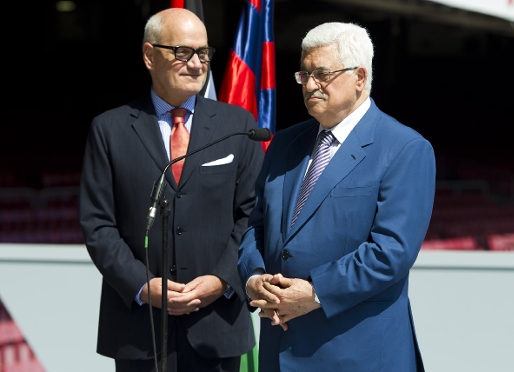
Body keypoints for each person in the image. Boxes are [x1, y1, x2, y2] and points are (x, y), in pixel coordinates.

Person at [237, 21, 435, 372]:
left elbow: (391, 252)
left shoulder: (405, 149)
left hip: (358, 353)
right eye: (304, 74)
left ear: (360, 76)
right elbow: (256, 227)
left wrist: (314, 293)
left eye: (322, 74)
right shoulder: (284, 143)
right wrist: (254, 278)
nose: (310, 85)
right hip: (279, 346)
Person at [79, 8, 263, 372]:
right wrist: (142, 285)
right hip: (139, 330)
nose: (196, 63)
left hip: (217, 326)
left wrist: (221, 279)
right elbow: (98, 225)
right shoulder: (109, 129)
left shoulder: (239, 125)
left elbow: (253, 215)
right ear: (150, 55)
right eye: (183, 52)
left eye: (204, 53)